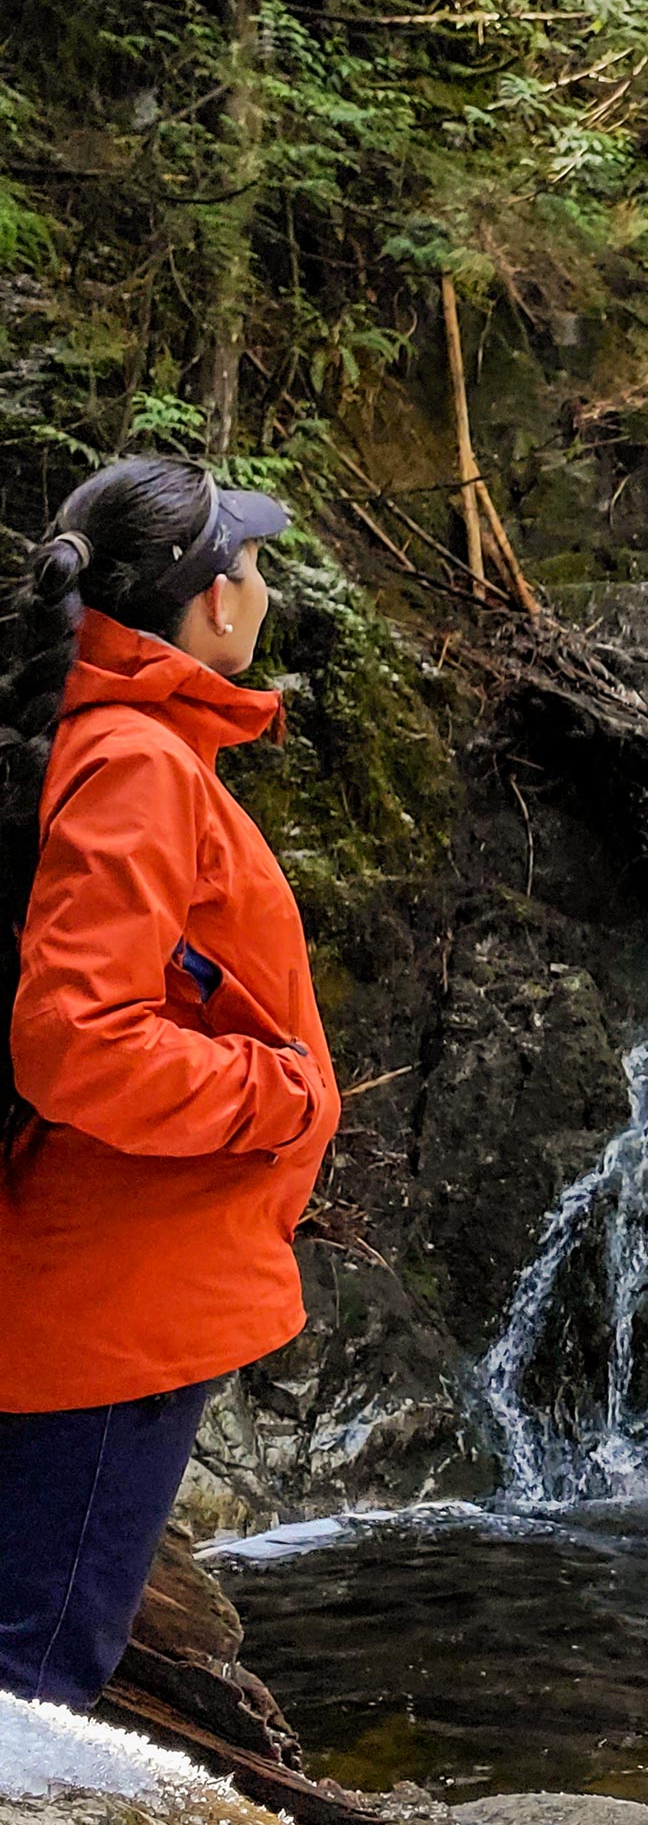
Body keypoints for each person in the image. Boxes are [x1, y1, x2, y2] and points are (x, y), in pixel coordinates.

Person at [0, 457, 340, 1709]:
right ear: (209, 602)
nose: (264, 583)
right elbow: (78, 1040)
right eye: (250, 561)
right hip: (112, 1305)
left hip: (90, 1276)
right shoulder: (136, 759)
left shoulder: (92, 737)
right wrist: (280, 1093)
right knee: (31, 1687)